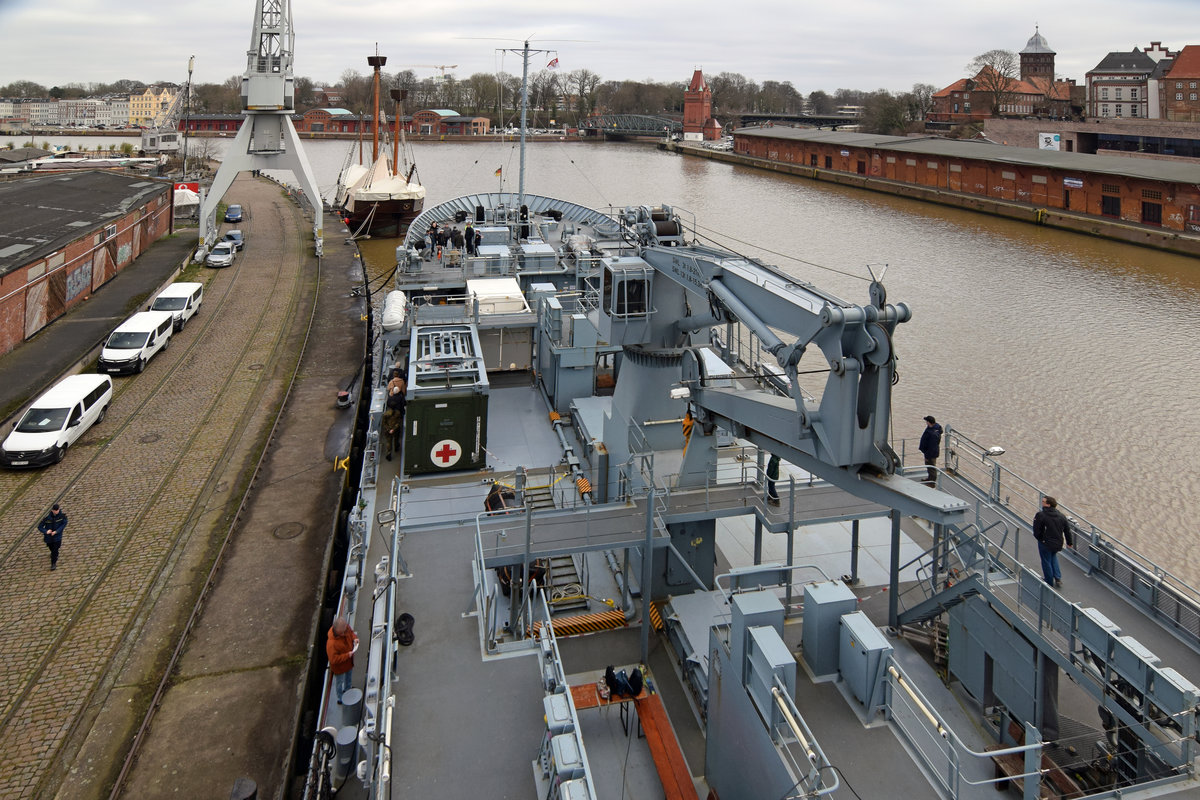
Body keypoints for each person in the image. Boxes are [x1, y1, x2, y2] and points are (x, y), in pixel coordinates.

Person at [1033, 495, 1070, 588]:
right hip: (1057, 543)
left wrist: (1040, 539)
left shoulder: (1041, 515)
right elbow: (1067, 530)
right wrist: (1069, 542)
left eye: (1043, 502)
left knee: (1046, 561)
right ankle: (1057, 577)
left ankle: (1049, 582)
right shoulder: (1062, 516)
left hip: (1045, 543)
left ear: (1048, 505)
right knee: (1053, 557)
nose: (1042, 503)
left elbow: (1037, 529)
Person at [326, 617, 358, 703]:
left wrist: (354, 638)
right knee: (339, 682)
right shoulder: (331, 644)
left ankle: (348, 689)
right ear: (337, 630)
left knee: (348, 677)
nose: (344, 632)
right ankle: (340, 698)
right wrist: (347, 655)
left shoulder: (345, 628)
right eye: (342, 631)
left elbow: (351, 633)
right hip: (339, 668)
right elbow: (333, 659)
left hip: (348, 663)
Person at [38, 502, 68, 570]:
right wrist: (46, 531)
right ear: (52, 510)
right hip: (49, 537)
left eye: (57, 510)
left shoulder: (62, 516)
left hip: (57, 537)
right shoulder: (47, 518)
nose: (57, 511)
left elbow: (64, 524)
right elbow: (40, 527)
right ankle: (53, 555)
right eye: (55, 510)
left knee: (55, 549)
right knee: (51, 548)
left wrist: (57, 531)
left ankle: (53, 563)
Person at [919, 415, 943, 485]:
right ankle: (930, 478)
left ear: (929, 422)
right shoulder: (933, 428)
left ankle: (932, 483)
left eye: (926, 421)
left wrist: (927, 456)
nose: (926, 422)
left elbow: (931, 446)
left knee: (931, 467)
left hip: (930, 453)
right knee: (929, 467)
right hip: (930, 452)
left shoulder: (933, 434)